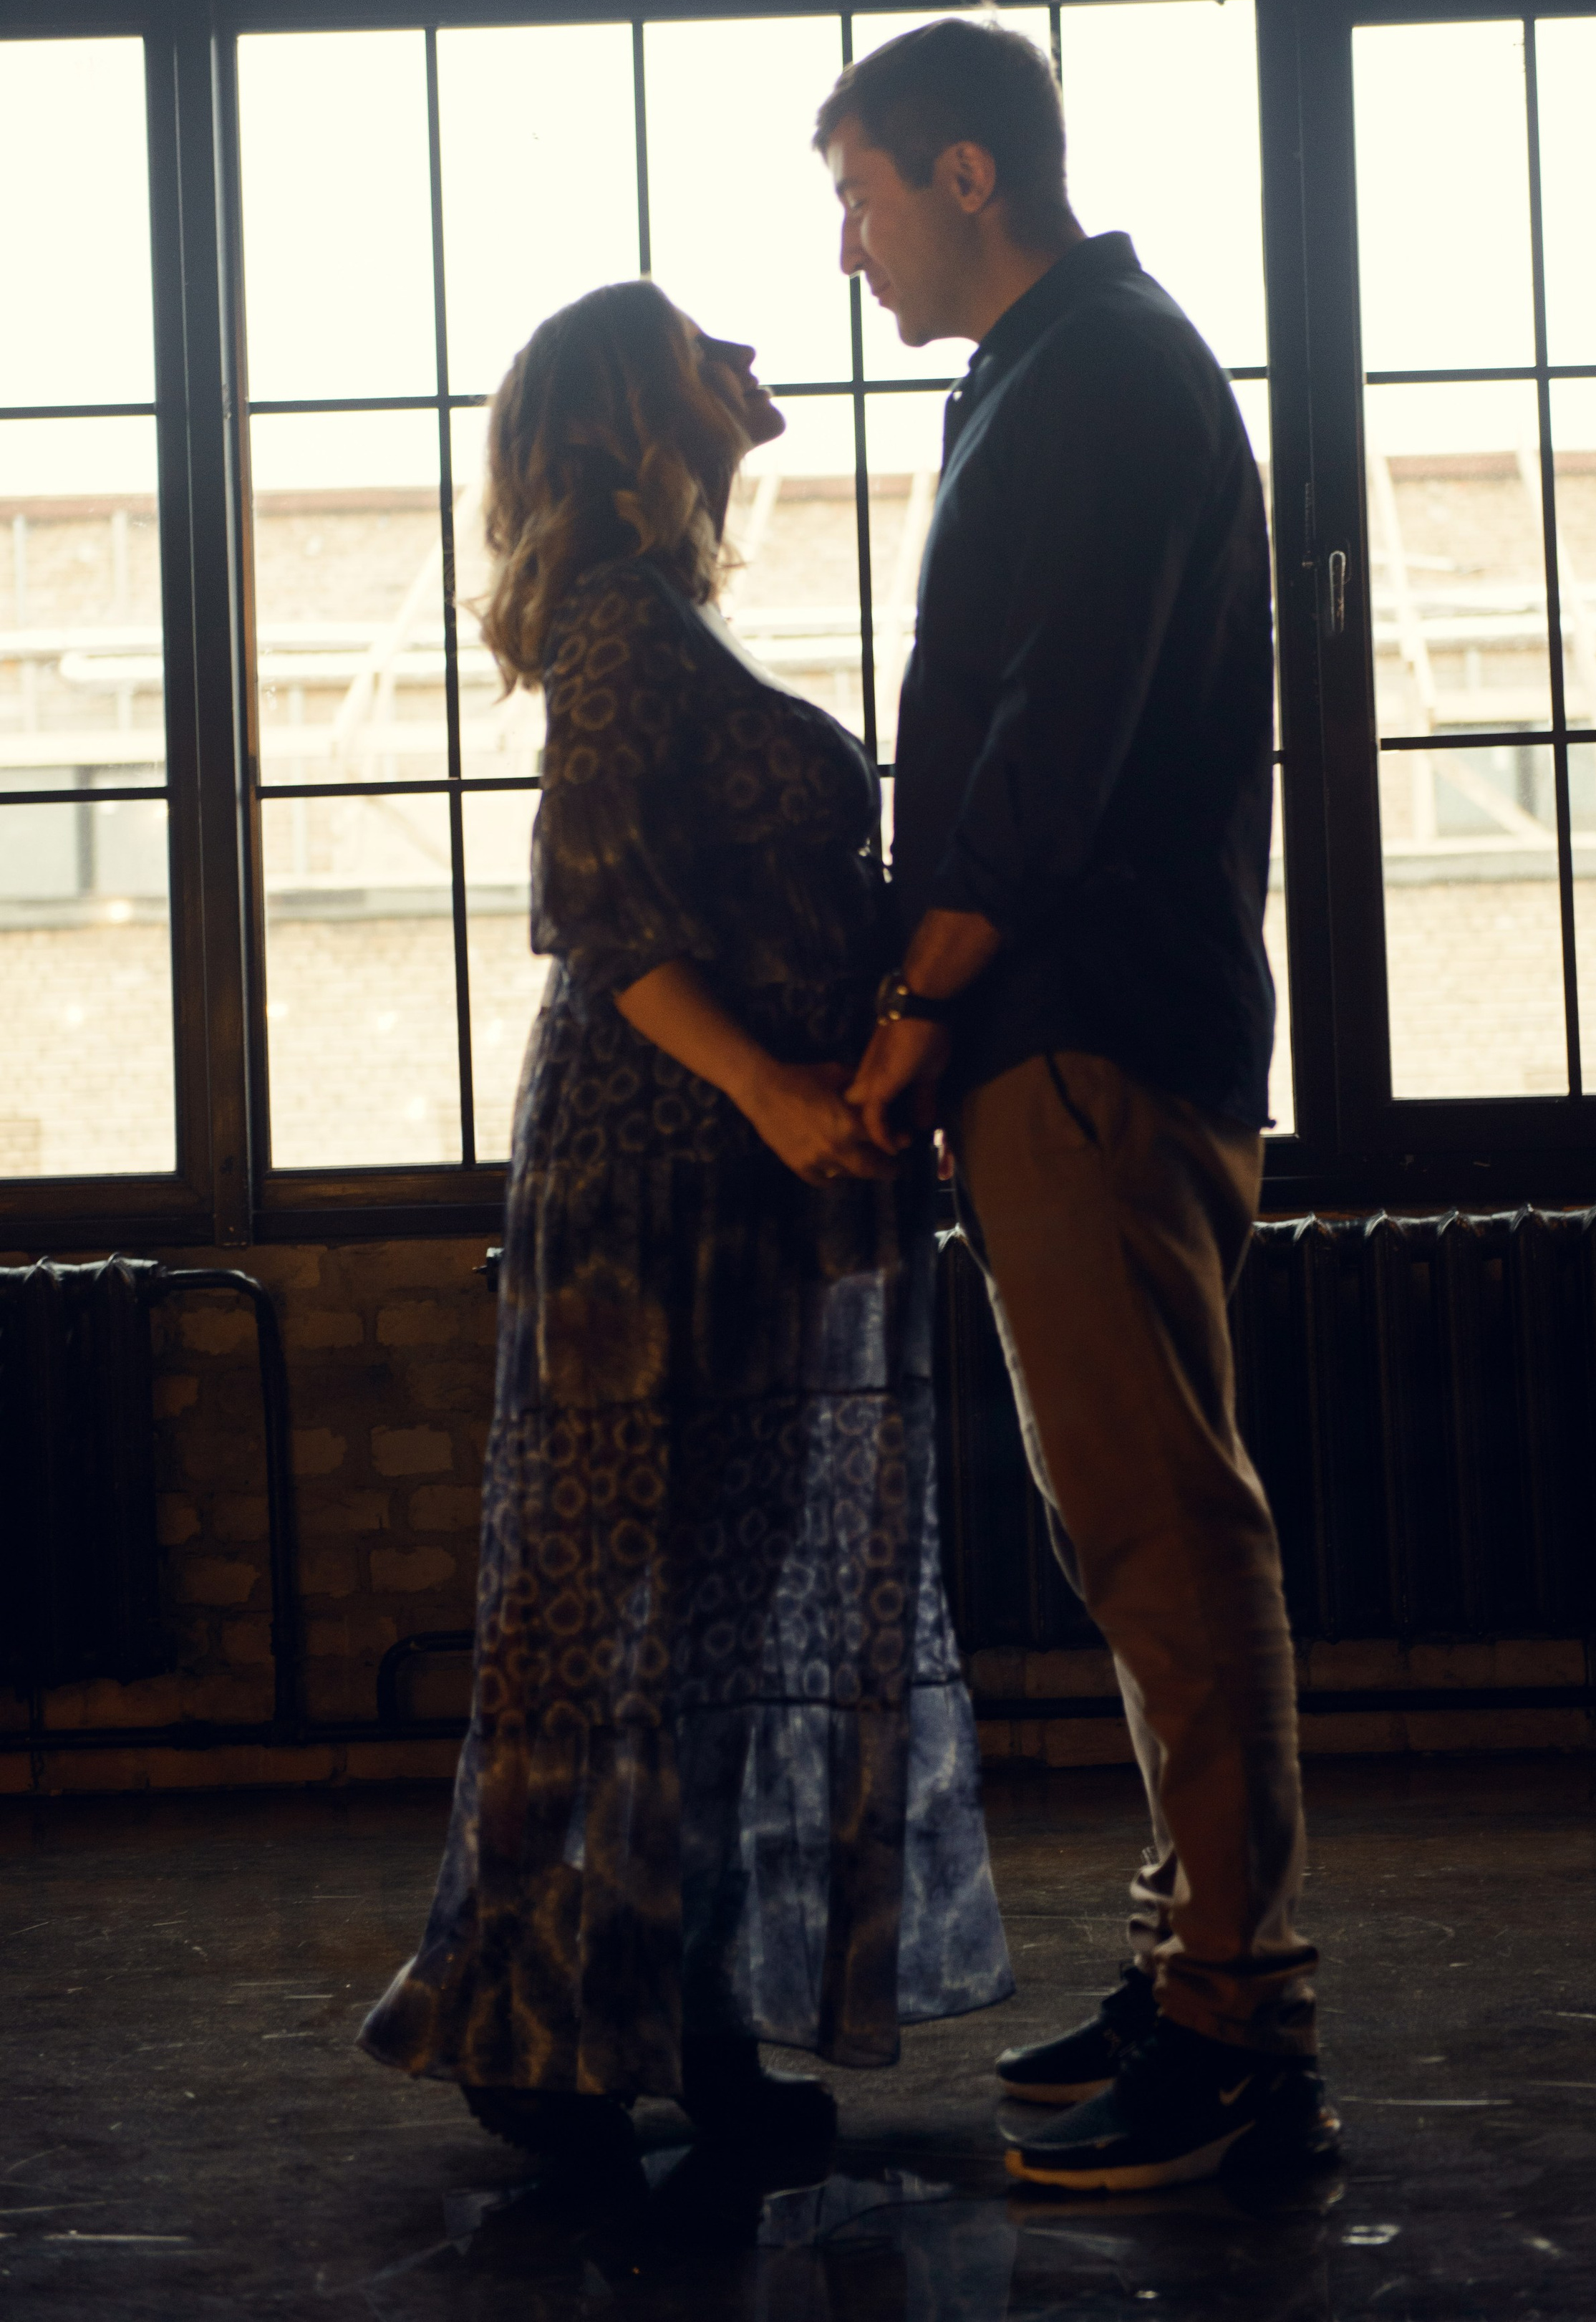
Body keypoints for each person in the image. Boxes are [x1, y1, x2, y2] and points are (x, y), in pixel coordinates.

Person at [359, 279, 1011, 2169]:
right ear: (634, 414)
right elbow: (599, 907)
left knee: (712, 1620)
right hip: (650, 1189)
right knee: (603, 1614)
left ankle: (685, 2014)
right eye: (704, 343)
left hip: (735, 1190)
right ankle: (533, 2029)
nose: (750, 356)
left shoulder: (667, 613)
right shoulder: (618, 621)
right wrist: (783, 1092)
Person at [813, 18, 1338, 2194]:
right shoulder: (1057, 374)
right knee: (1132, 1522)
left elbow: (1053, 742)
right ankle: (1195, 1958)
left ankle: (1240, 2022)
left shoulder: (1103, 372)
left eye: (858, 197)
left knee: (1162, 1526)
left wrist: (919, 1009)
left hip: (1089, 1030)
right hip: (1080, 1031)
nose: (847, 249)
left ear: (967, 175)